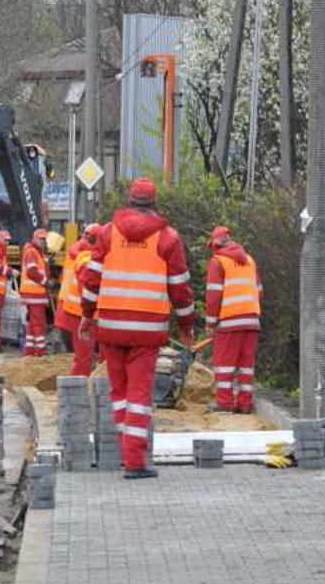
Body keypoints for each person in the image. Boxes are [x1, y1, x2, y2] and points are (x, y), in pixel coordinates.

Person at [79, 178, 195, 479]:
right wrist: (186, 326)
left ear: (129, 200)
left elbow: (91, 281)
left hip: (111, 328)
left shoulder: (106, 233)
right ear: (154, 203)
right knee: (139, 394)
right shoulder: (168, 238)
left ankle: (125, 452)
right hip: (146, 329)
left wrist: (87, 316)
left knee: (119, 393)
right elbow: (180, 289)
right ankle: (134, 461)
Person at [204, 226, 262, 414]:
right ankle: (245, 404)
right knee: (246, 365)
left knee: (224, 364)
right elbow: (259, 291)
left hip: (229, 321)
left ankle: (225, 403)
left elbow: (213, 295)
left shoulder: (218, 261)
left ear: (217, 244)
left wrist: (211, 323)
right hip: (252, 321)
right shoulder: (250, 261)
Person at [55, 223, 101, 375]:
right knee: (84, 358)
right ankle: (79, 391)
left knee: (84, 356)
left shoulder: (78, 251)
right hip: (81, 314)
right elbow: (87, 286)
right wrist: (91, 311)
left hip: (71, 310)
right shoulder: (87, 258)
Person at [20, 228, 51, 356]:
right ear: (34, 238)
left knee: (32, 324)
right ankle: (40, 350)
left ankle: (30, 350)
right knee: (39, 323)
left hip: (31, 294)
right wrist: (45, 281)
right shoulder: (33, 252)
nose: (43, 242)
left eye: (44, 239)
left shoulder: (36, 252)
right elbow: (32, 272)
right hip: (34, 294)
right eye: (40, 239)